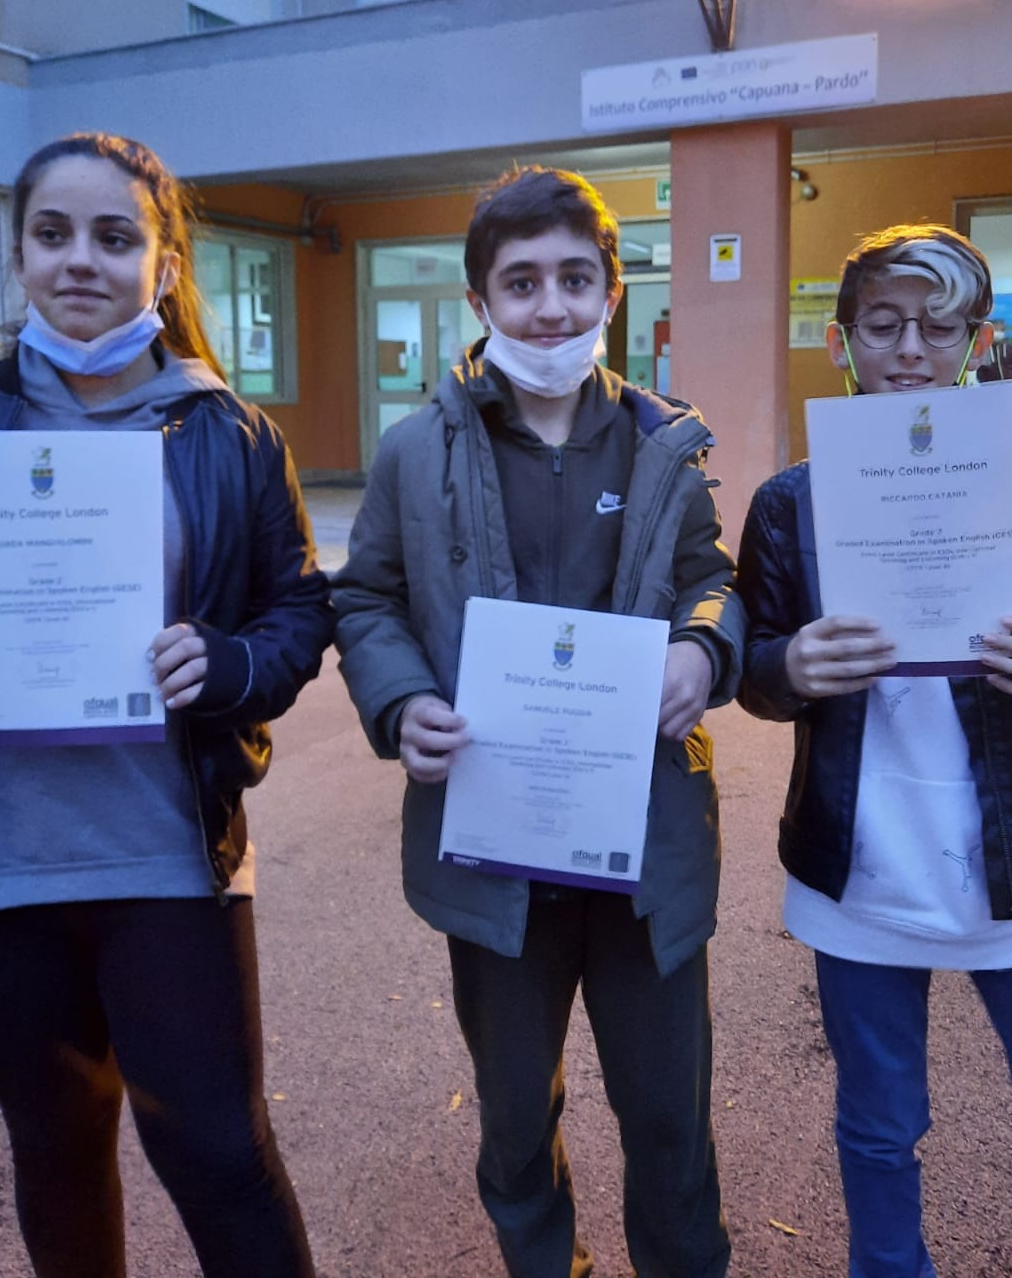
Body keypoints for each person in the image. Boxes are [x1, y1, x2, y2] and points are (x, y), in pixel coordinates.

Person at [333, 167, 743, 1278]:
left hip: (643, 842)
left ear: (611, 289)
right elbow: (365, 598)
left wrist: (704, 648)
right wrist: (401, 700)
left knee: (669, 1121)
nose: (550, 306)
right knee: (515, 1120)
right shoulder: (415, 449)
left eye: (574, 278)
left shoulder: (665, 442)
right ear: (480, 300)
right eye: (521, 283)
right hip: (492, 842)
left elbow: (712, 581)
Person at [0, 133, 333, 1278]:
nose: (81, 259)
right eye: (53, 234)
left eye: (115, 237)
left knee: (220, 1155)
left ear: (163, 265)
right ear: (19, 256)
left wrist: (232, 665)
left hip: (169, 858)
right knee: (57, 1148)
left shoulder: (233, 432)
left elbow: (296, 610)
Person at [735, 223, 1012, 1278]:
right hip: (857, 862)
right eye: (883, 325)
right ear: (841, 340)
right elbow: (755, 669)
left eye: (938, 327)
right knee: (878, 1129)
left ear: (977, 342)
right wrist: (790, 667)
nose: (911, 348)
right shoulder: (788, 504)